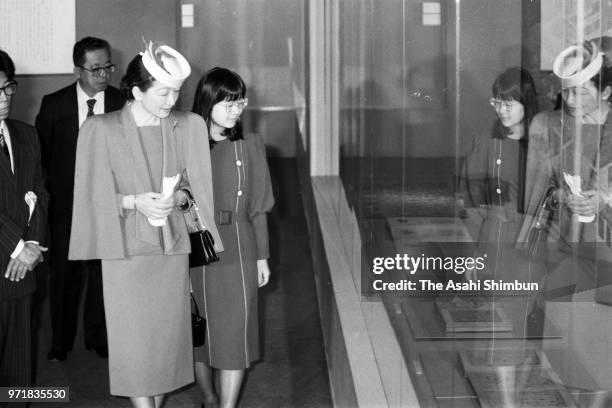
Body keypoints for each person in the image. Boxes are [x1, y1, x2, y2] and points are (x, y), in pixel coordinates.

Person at [68, 42, 222, 408]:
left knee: (165, 344)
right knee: (134, 345)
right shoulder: (99, 129)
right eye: (164, 92)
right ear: (137, 91)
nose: (173, 100)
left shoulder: (188, 126)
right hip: (125, 255)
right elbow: (90, 197)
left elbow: (194, 190)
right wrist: (135, 201)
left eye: (177, 92)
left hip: (169, 252)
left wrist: (178, 199)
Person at [35, 36, 124, 362]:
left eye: (108, 66)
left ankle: (98, 337)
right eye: (96, 68)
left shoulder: (121, 101)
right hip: (66, 209)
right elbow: (40, 160)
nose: (104, 74)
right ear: (77, 69)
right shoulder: (53, 105)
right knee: (63, 277)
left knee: (103, 276)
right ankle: (60, 342)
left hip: (109, 206)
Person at [190, 67, 274, 408]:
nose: (237, 111)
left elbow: (259, 206)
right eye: (229, 104)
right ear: (208, 102)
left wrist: (262, 257)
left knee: (236, 334)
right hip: (197, 245)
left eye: (240, 103)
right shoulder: (186, 142)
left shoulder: (250, 144)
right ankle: (209, 397)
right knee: (199, 331)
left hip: (240, 245)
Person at [522, 40, 612, 299]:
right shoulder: (547, 127)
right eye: (566, 91)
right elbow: (534, 198)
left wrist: (605, 199)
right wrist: (560, 196)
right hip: (564, 251)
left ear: (605, 92)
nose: (570, 100)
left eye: (580, 92)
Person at [458, 67, 539, 285]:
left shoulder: (544, 144)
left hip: (533, 243)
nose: (502, 110)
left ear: (527, 104)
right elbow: (471, 206)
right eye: (497, 103)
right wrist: (471, 255)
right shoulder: (485, 143)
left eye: (509, 105)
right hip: (494, 239)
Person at [0, 50, 48, 397]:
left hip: (23, 270)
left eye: (7, 88)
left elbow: (41, 195)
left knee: (17, 372)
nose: (4, 98)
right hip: (10, 257)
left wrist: (32, 246)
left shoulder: (26, 135)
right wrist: (19, 246)